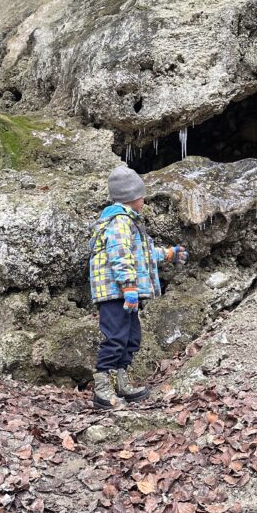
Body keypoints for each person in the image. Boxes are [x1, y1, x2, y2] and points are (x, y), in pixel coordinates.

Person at [88, 165, 188, 410]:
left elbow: (141, 255)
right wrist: (129, 287)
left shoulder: (130, 221)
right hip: (114, 293)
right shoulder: (119, 221)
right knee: (115, 338)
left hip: (124, 292)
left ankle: (121, 382)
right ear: (131, 196)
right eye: (141, 195)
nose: (144, 199)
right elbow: (120, 255)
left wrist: (167, 254)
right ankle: (102, 389)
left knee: (131, 338)